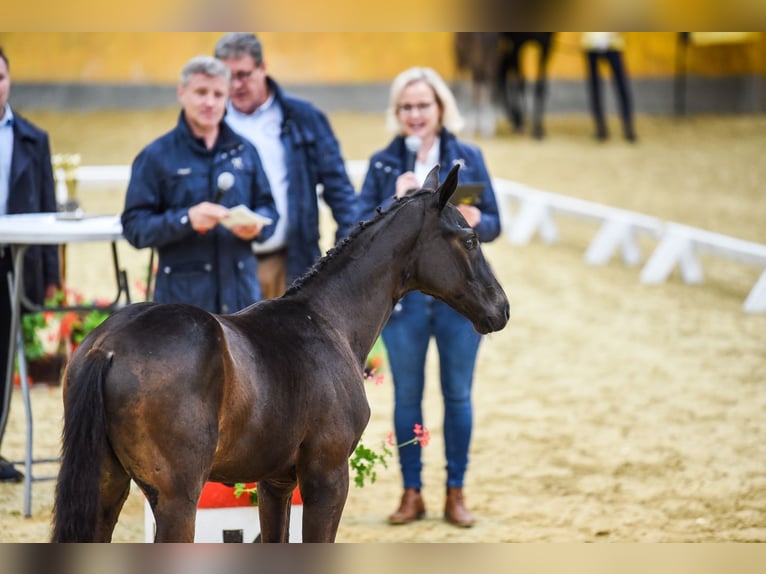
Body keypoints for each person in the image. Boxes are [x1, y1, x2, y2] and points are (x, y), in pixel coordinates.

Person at [356, 66, 501, 528]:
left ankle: (455, 492)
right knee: (407, 399)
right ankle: (411, 492)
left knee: (457, 396)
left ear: (441, 108)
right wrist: (393, 203)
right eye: (406, 107)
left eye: (423, 105)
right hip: (404, 302)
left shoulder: (469, 157)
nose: (415, 114)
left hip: (459, 299)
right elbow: (355, 230)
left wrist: (477, 219)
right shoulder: (383, 164)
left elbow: (496, 223)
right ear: (396, 114)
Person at [121, 55, 278, 314]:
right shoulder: (156, 157)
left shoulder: (245, 151)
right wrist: (186, 219)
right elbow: (135, 227)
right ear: (182, 93)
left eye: (218, 94)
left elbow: (269, 210)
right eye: (201, 92)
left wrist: (257, 228)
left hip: (242, 305)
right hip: (182, 309)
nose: (210, 102)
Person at [213, 33, 358, 299]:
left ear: (263, 68)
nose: (236, 85)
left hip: (290, 261)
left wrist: (346, 254)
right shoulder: (209, 121)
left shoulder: (304, 117)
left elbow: (339, 189)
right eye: (227, 76)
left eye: (243, 74)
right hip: (225, 264)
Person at [0, 47, 61, 482]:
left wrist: (51, 280)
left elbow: (48, 209)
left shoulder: (32, 139)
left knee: (3, 362)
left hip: (12, 263)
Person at [582, 32, 637, 142]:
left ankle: (628, 126)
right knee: (595, 87)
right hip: (591, 44)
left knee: (621, 85)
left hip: (613, 42)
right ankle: (600, 127)